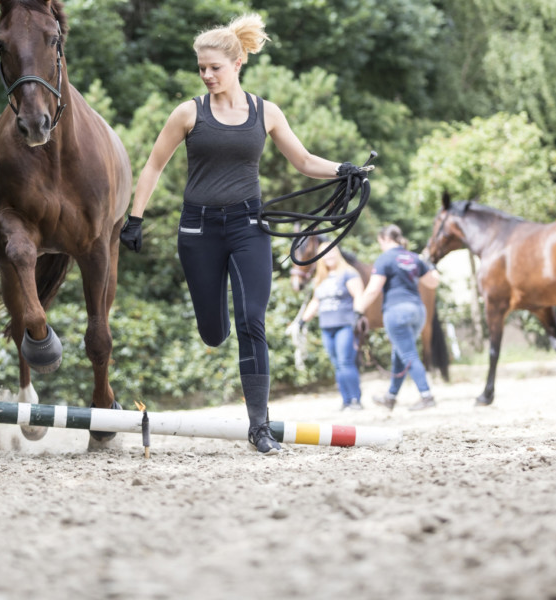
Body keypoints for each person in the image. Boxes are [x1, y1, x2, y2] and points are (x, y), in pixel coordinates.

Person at [117, 14, 368, 454]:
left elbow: (305, 160)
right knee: (215, 332)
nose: (207, 75)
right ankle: (218, 328)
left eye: (214, 67)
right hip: (198, 229)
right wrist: (134, 218)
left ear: (237, 63)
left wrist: (344, 170)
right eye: (201, 69)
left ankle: (259, 427)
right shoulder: (188, 113)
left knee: (252, 319)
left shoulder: (265, 112)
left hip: (249, 226)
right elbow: (154, 165)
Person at [353, 224, 440, 411]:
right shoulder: (414, 257)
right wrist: (431, 266)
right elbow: (432, 283)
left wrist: (358, 310)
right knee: (400, 354)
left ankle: (426, 396)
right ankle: (390, 397)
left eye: (380, 243)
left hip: (396, 311)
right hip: (418, 311)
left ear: (384, 239)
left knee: (408, 354)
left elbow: (374, 289)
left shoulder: (385, 259)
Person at [288, 246, 365, 410]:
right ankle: (345, 400)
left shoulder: (348, 273)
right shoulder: (320, 278)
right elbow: (315, 301)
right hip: (327, 326)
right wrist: (302, 321)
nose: (329, 256)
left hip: (345, 324)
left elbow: (358, 295)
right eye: (325, 253)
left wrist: (358, 314)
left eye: (331, 252)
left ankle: (355, 400)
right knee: (337, 364)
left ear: (337, 254)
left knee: (345, 362)